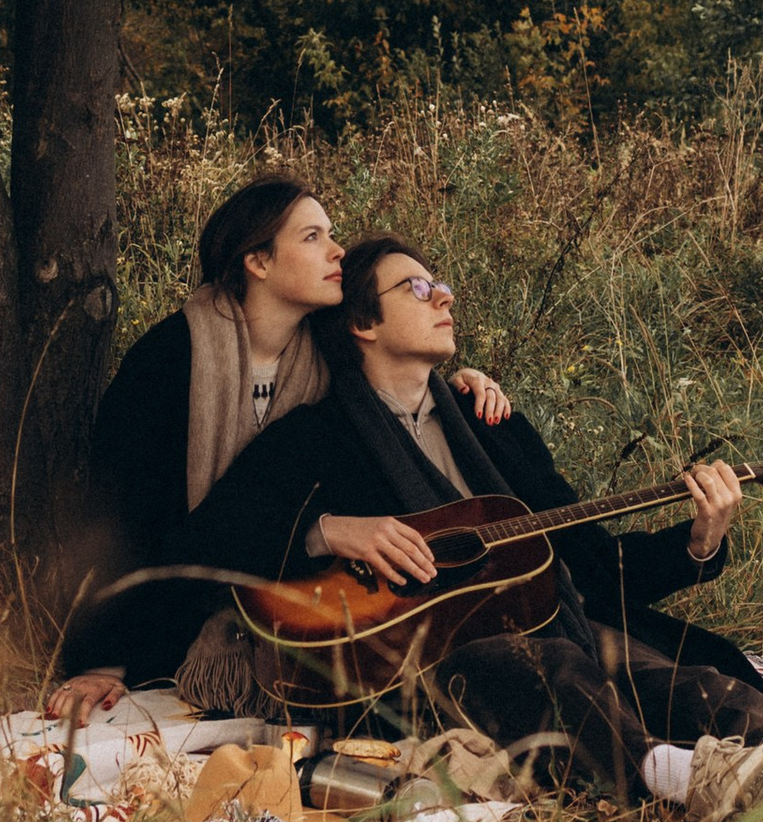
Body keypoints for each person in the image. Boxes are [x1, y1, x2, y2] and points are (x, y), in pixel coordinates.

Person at [184, 230, 763, 815]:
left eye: (440, 284)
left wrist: (700, 540)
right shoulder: (314, 438)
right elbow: (209, 538)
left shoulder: (493, 425)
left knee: (685, 680)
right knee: (543, 666)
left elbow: (593, 564)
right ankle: (680, 778)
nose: (444, 296)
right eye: (417, 288)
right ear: (362, 322)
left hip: (554, 623)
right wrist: (330, 530)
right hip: (409, 667)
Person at [52, 176, 508, 718]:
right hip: (165, 617)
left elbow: (398, 380)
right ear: (258, 262)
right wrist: (102, 661)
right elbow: (116, 517)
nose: (337, 251)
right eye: (312, 237)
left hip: (295, 617)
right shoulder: (170, 360)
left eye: (331, 234)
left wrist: (460, 388)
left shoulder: (327, 360)